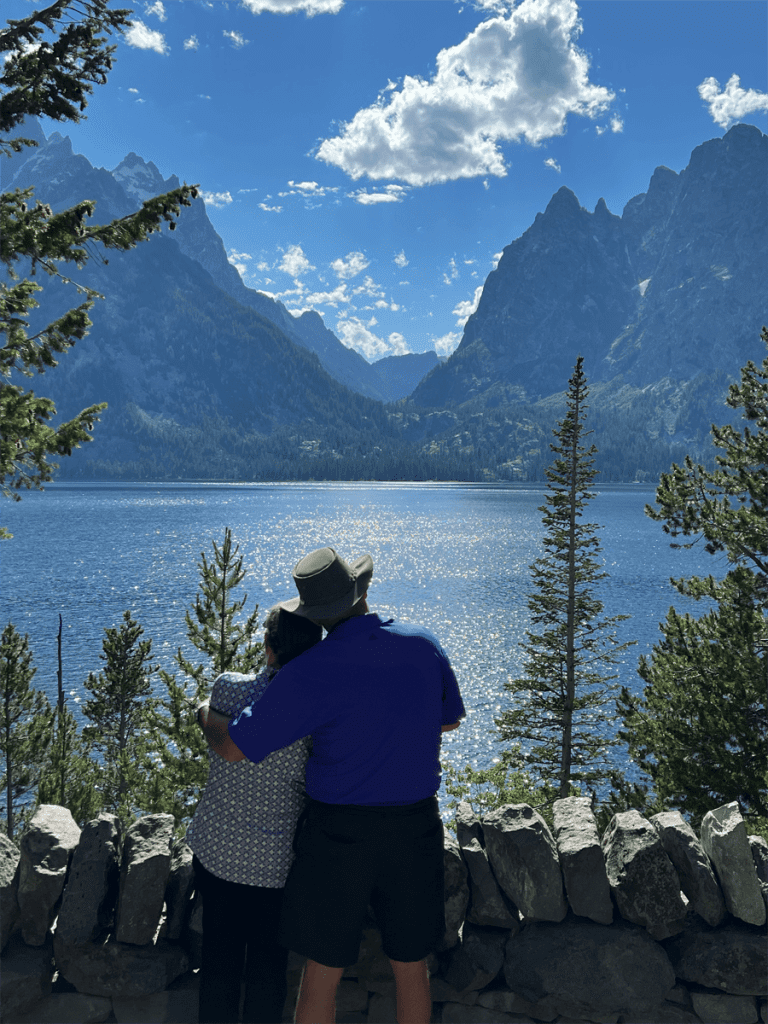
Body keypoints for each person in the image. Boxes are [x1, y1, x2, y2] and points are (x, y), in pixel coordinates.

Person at [202, 547, 466, 1024]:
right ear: (362, 591)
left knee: (321, 971)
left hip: (337, 835)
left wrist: (207, 717)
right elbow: (448, 721)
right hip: (413, 828)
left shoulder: (311, 671)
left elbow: (234, 747)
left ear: (316, 614)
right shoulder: (422, 646)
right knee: (412, 968)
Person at [189, 604, 322, 1024]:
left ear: (268, 647)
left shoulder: (228, 689)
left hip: (218, 853)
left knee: (217, 965)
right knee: (268, 971)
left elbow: (213, 723)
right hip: (276, 866)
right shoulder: (313, 713)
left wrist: (201, 711)